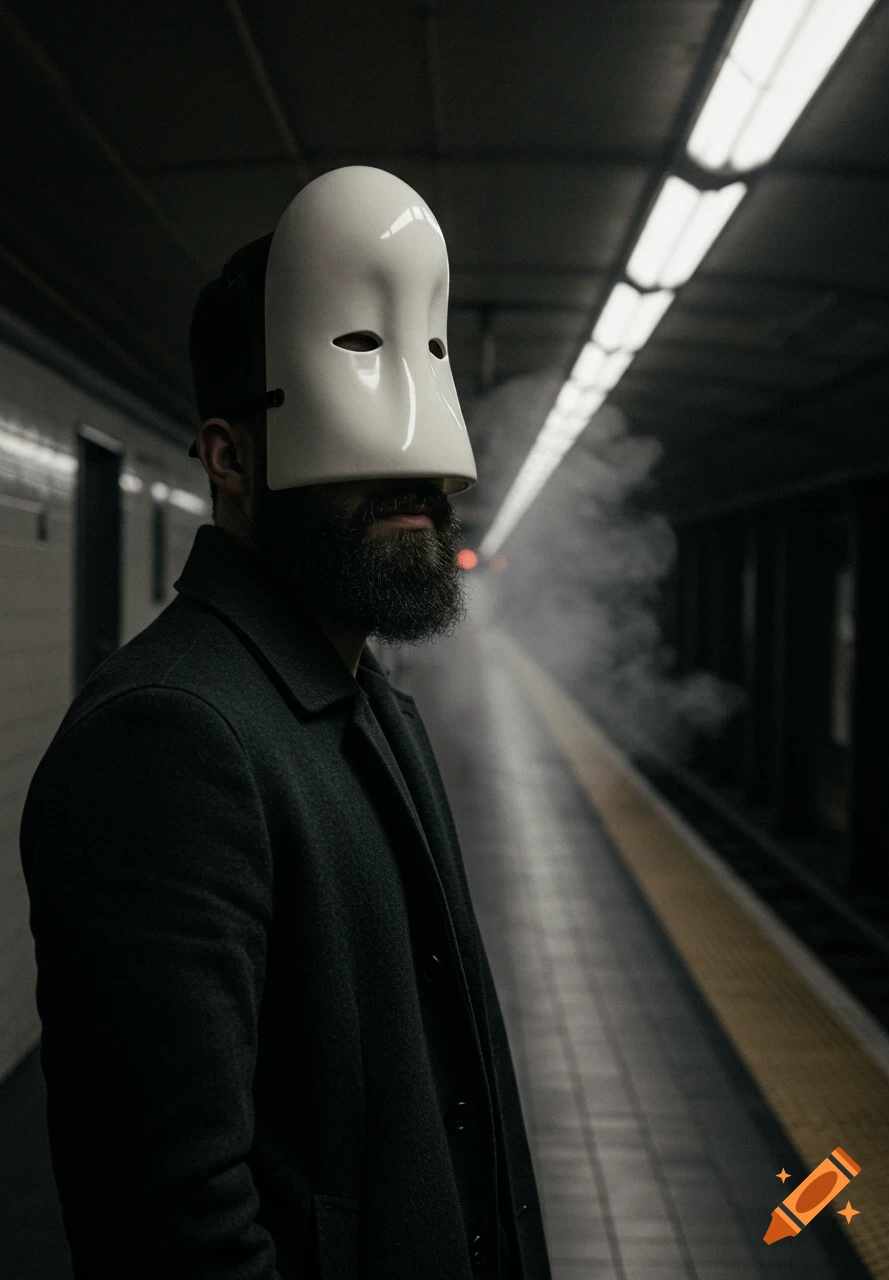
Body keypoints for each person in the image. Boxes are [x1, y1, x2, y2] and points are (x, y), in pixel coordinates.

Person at [19, 168, 552, 1280]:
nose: (417, 477)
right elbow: (172, 1226)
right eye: (359, 390)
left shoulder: (367, 703)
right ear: (231, 457)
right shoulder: (170, 738)